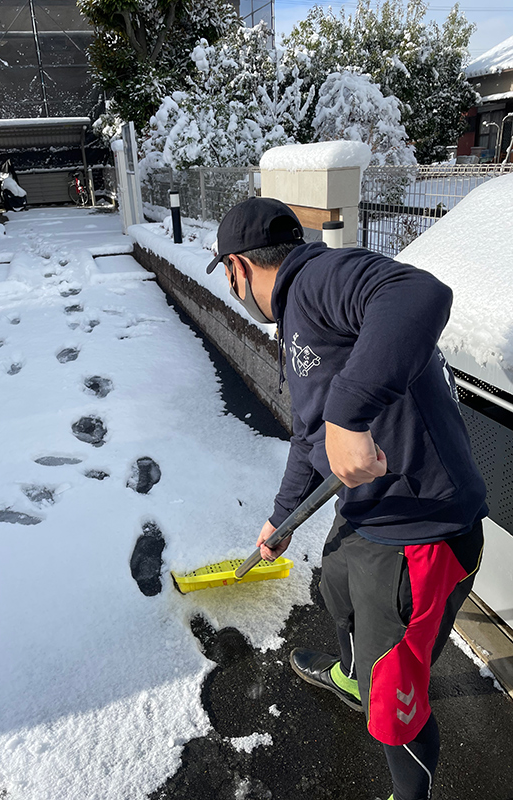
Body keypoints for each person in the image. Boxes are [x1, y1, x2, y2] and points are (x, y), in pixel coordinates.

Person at [206, 196, 487, 800]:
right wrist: (280, 519)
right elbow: (311, 437)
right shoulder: (297, 321)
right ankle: (351, 676)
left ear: (237, 267)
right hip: (368, 515)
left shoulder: (318, 280)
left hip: (421, 528)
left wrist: (348, 410)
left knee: (396, 704)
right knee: (335, 585)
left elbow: (420, 295)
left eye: (228, 277)